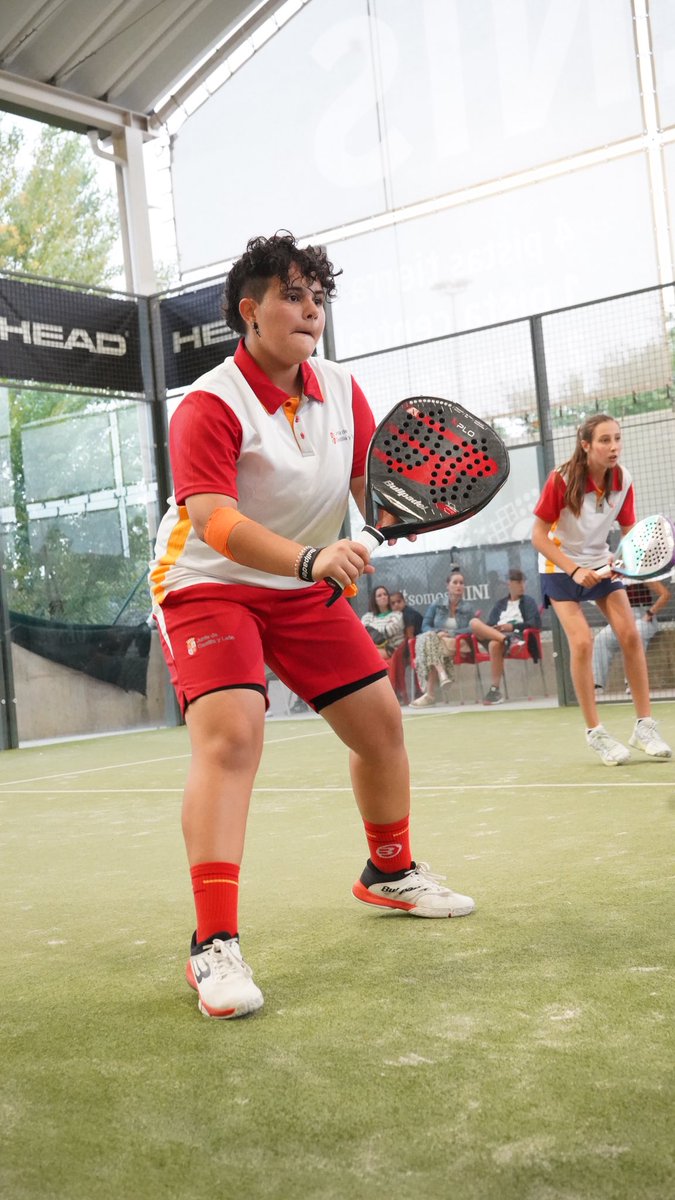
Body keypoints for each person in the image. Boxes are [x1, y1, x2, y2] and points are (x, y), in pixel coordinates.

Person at [149, 232, 475, 1021]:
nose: (308, 311)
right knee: (232, 736)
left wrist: (408, 508)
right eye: (292, 296)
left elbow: (378, 486)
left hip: (302, 583)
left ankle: (388, 871)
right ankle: (213, 947)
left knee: (380, 726)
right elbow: (214, 521)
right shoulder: (208, 405)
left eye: (317, 298)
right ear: (248, 311)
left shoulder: (340, 389)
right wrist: (307, 559)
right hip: (209, 584)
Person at [531, 413, 671, 766]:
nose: (614, 447)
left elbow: (630, 536)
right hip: (558, 565)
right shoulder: (560, 480)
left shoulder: (623, 480)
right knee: (581, 642)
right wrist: (574, 570)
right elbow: (537, 537)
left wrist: (644, 568)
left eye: (617, 439)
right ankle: (596, 732)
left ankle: (644, 727)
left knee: (630, 636)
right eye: (605, 440)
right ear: (586, 445)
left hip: (601, 562)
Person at [470, 569, 542, 705]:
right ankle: (505, 639)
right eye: (518, 582)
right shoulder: (500, 604)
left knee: (494, 644)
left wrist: (511, 627)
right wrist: (497, 630)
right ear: (509, 584)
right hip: (500, 636)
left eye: (523, 582)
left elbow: (535, 623)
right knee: (473, 623)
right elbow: (490, 624)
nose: (522, 586)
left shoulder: (528, 602)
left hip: (517, 638)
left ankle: (494, 690)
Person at [410, 570, 476, 707]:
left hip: (457, 643)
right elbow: (425, 626)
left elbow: (471, 628)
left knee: (428, 641)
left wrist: (449, 633)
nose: (458, 586)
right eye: (455, 582)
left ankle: (430, 694)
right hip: (439, 643)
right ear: (448, 585)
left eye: (461, 583)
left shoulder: (468, 607)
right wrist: (438, 632)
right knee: (430, 638)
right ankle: (441, 675)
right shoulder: (437, 604)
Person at [593, 579, 670, 692]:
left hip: (643, 617)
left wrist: (649, 614)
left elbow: (665, 594)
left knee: (636, 634)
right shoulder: (612, 577)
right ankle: (597, 685)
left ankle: (633, 683)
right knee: (601, 639)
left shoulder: (640, 574)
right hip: (621, 618)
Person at [389, 590, 424, 703]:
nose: (396, 605)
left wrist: (409, 655)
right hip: (412, 644)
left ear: (404, 601)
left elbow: (410, 637)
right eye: (393, 603)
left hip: (419, 644)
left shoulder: (408, 614)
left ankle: (416, 691)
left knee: (399, 658)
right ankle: (400, 692)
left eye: (399, 601)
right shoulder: (397, 615)